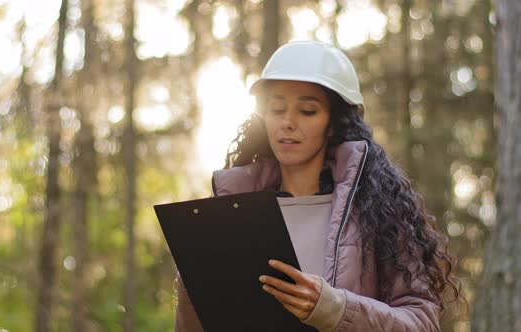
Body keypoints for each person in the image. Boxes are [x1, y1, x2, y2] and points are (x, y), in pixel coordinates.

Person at [174, 40, 460, 331]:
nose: (287, 122)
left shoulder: (378, 215)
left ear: (334, 122)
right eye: (276, 109)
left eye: (307, 111)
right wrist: (194, 281)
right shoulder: (229, 213)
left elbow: (422, 323)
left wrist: (337, 310)